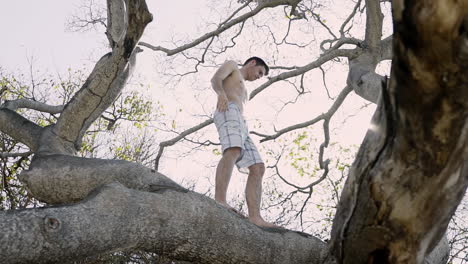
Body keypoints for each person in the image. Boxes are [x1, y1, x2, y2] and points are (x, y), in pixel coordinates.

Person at [211, 56, 276, 228]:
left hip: (241, 121)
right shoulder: (232, 66)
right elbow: (216, 79)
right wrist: (221, 94)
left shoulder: (245, 89)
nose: (259, 77)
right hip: (227, 109)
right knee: (233, 150)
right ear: (252, 63)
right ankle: (220, 200)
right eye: (260, 72)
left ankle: (255, 217)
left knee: (258, 167)